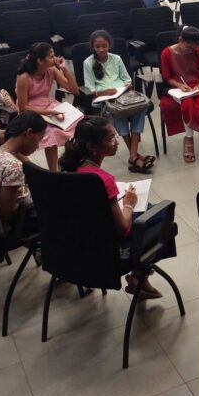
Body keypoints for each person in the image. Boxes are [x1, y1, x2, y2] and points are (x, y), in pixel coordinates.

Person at [59, 116, 163, 299]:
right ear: (92, 147)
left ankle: (140, 276)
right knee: (161, 217)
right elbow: (123, 227)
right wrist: (129, 203)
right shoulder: (103, 180)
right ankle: (139, 274)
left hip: (79, 242)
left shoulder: (68, 169)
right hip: (109, 249)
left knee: (149, 208)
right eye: (110, 139)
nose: (116, 142)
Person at [83, 29, 155, 173]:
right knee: (118, 113)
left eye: (104, 46)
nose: (101, 49)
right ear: (93, 47)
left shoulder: (116, 58)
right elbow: (90, 88)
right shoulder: (88, 62)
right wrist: (104, 92)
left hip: (123, 95)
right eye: (97, 46)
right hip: (105, 99)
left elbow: (126, 78)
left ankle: (133, 157)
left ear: (109, 45)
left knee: (141, 108)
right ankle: (134, 156)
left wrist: (127, 85)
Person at [159, 25, 199, 162]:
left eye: (194, 48)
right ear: (180, 40)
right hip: (177, 87)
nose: (191, 50)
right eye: (189, 47)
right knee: (187, 102)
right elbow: (167, 77)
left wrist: (198, 87)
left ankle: (189, 138)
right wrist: (180, 85)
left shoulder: (198, 51)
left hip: (198, 85)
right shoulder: (166, 53)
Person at [15, 42, 79, 172]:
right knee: (51, 132)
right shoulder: (24, 76)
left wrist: (65, 69)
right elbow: (23, 107)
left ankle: (70, 164)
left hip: (47, 103)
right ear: (40, 61)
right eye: (51, 56)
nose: (55, 58)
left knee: (77, 122)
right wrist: (48, 112)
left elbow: (74, 90)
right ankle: (53, 172)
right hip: (31, 110)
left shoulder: (51, 70)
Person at [0, 111, 46, 234]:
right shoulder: (14, 167)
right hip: (23, 222)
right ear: (29, 133)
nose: (38, 146)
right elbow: (7, 213)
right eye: (39, 139)